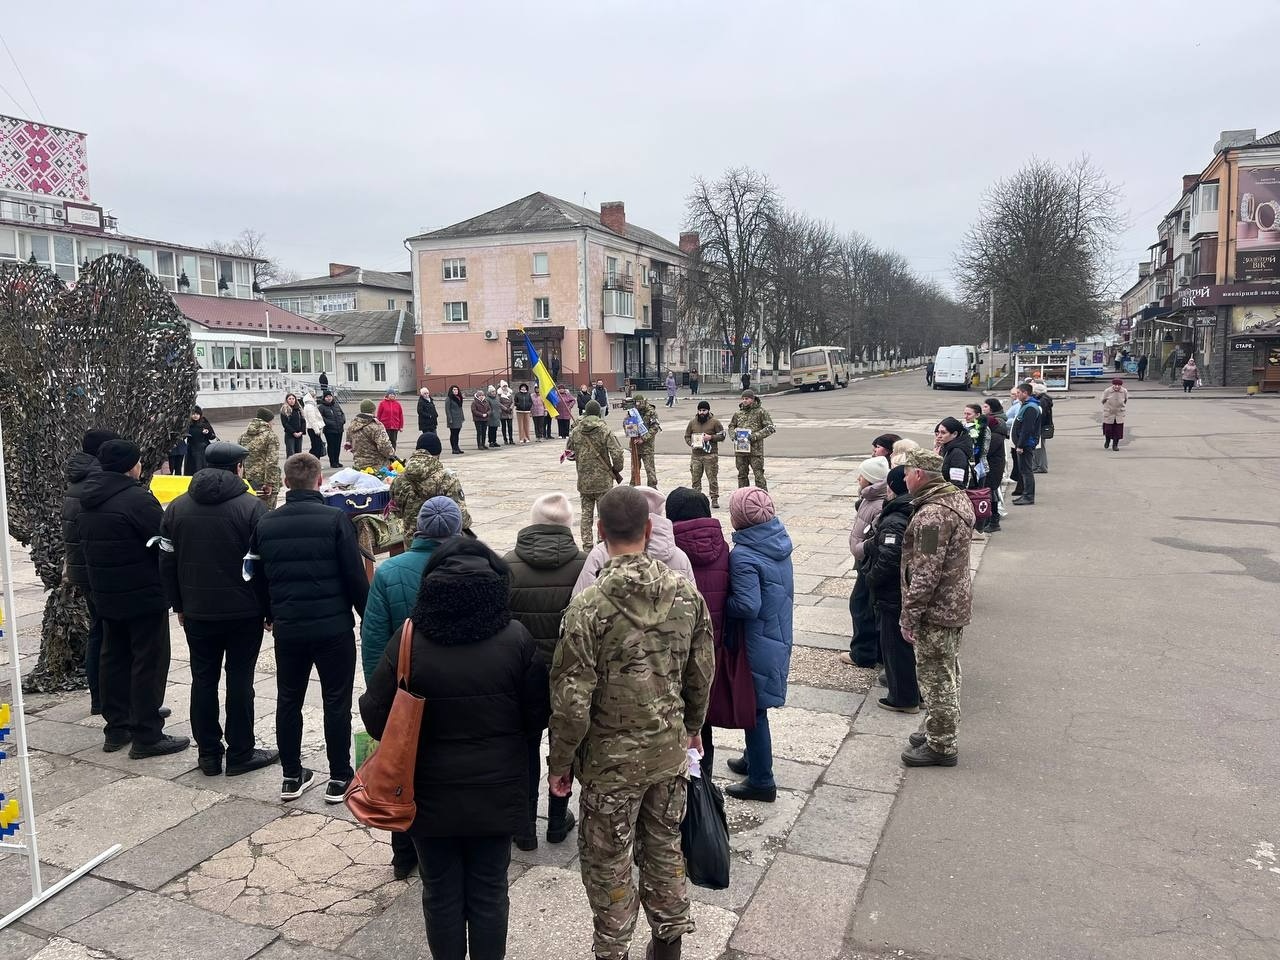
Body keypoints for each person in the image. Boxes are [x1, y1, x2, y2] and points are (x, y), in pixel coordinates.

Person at [360, 537, 547, 960]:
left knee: (440, 893)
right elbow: (537, 716)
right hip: (497, 792)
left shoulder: (409, 640)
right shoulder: (517, 638)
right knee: (490, 892)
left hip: (427, 794)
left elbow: (375, 716)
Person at [548, 486, 713, 960]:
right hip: (666, 754)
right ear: (649, 528)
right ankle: (668, 946)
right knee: (664, 848)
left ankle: (613, 949)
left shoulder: (588, 607)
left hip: (608, 766)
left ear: (600, 531)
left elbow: (571, 700)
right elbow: (702, 673)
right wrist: (692, 728)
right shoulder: (686, 596)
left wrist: (560, 762)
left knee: (608, 863)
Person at [252, 453, 369, 802]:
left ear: (286, 482)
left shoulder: (266, 523)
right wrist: (367, 614)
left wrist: (268, 613)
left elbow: (257, 576)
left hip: (289, 626)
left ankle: (291, 775)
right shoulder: (335, 519)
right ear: (319, 481)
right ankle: (339, 776)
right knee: (336, 700)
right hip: (333, 626)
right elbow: (354, 574)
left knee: (289, 699)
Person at [359, 497, 465, 881]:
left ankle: (403, 853)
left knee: (401, 769)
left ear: (417, 529)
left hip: (405, 689)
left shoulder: (390, 572)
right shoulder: (469, 567)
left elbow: (374, 642)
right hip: (458, 689)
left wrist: (380, 698)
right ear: (457, 530)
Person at [159, 441, 278, 777]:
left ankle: (209, 754)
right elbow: (265, 565)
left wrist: (178, 604)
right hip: (244, 613)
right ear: (238, 468)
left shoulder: (177, 507)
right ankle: (241, 752)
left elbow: (166, 562)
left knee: (203, 679)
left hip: (197, 611)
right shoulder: (253, 508)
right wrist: (269, 609)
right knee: (240, 680)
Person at [78, 440, 188, 758]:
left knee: (113, 657)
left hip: (106, 592)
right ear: (130, 466)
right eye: (138, 461)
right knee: (148, 661)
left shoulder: (89, 496)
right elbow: (163, 542)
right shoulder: (136, 499)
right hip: (142, 593)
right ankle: (147, 734)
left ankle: (117, 726)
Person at [503, 492, 587, 852]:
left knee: (522, 749)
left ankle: (523, 828)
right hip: (568, 677)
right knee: (562, 747)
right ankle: (556, 820)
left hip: (521, 678)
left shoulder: (507, 565)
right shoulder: (585, 565)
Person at [898, 449, 974, 767]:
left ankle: (942, 745)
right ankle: (938, 728)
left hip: (937, 609)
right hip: (954, 603)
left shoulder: (933, 515)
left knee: (936, 676)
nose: (904, 479)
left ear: (919, 474)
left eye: (906, 473)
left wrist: (909, 616)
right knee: (947, 669)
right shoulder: (953, 497)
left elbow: (926, 571)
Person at [723, 486, 794, 803]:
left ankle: (762, 780)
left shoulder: (744, 555)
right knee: (757, 705)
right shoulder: (777, 542)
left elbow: (747, 605)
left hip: (757, 641)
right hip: (776, 633)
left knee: (754, 709)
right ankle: (752, 758)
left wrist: (721, 603)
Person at [666, 486, 729, 777]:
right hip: (712, 644)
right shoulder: (722, 547)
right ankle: (704, 779)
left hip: (674, 646)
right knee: (703, 718)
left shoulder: (670, 552)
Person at [62, 428, 119, 716]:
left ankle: (100, 697)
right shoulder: (96, 482)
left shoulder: (78, 478)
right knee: (109, 635)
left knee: (98, 630)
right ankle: (111, 699)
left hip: (83, 568)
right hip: (99, 569)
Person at [863, 465, 919, 713]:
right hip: (901, 588)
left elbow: (889, 557)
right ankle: (911, 691)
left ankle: (903, 698)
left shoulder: (895, 518)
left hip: (892, 592)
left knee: (895, 644)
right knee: (901, 644)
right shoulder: (907, 508)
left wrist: (871, 578)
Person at [574, 485, 696, 593]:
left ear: (601, 530)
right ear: (648, 528)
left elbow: (577, 601)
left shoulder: (599, 555)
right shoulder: (680, 557)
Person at [841, 457, 890, 669]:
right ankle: (873, 651)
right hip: (864, 558)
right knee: (864, 604)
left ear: (870, 479)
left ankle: (863, 653)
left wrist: (860, 549)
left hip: (869, 560)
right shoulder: (869, 496)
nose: (858, 479)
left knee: (861, 605)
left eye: (861, 475)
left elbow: (876, 537)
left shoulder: (877, 502)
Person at [390, 432, 472, 541]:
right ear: (437, 454)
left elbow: (397, 513)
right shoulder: (446, 479)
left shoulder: (398, 479)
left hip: (413, 543)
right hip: (442, 545)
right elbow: (462, 518)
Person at [566, 399, 623, 550]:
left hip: (584, 480)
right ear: (598, 413)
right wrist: (617, 469)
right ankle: (602, 545)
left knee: (586, 514)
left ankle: (587, 545)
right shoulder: (605, 430)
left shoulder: (576, 431)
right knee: (604, 514)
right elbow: (617, 452)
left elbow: (569, 453)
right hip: (603, 480)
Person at [728, 389, 776, 490]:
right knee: (742, 475)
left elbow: (770, 428)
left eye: (747, 399)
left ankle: (762, 496)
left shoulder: (760, 412)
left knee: (759, 476)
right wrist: (733, 435)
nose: (744, 401)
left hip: (755, 451)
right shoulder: (738, 413)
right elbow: (731, 426)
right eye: (743, 399)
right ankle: (743, 496)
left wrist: (755, 436)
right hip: (741, 450)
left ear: (753, 399)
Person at [684, 399, 726, 508]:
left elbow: (722, 436)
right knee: (695, 479)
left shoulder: (715, 422)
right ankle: (696, 499)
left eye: (704, 410)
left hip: (710, 455)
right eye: (700, 410)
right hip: (696, 455)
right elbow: (687, 436)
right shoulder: (692, 422)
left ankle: (714, 498)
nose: (701, 412)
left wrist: (711, 437)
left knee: (712, 479)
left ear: (708, 411)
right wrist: (691, 443)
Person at [238, 408, 282, 508]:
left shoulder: (243, 436)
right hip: (264, 483)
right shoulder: (271, 436)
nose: (273, 424)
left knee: (250, 510)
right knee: (267, 511)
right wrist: (269, 483)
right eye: (272, 421)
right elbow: (272, 462)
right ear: (267, 421)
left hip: (248, 481)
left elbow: (240, 461)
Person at [1011, 382, 1041, 506]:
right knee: (1024, 470)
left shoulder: (1030, 408)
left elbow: (1027, 429)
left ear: (1025, 393)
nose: (1017, 395)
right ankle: (1025, 494)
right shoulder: (1026, 405)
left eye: (1018, 393)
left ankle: (1028, 496)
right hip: (1024, 443)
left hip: (1026, 445)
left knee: (1026, 470)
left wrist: (1020, 445)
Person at [980, 398, 1007, 531]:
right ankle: (989, 519)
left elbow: (987, 451)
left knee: (991, 491)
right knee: (991, 491)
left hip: (993, 467)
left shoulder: (995, 435)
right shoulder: (995, 431)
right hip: (992, 466)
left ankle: (994, 521)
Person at [346, 399, 396, 470]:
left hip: (358, 464)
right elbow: (384, 446)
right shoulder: (376, 426)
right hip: (376, 466)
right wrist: (392, 454)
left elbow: (348, 445)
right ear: (373, 411)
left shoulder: (352, 425)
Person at [630, 394, 661, 489]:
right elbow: (626, 424)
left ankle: (652, 487)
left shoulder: (651, 412)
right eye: (636, 403)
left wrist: (643, 438)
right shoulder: (632, 412)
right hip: (635, 445)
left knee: (650, 469)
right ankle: (633, 486)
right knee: (634, 469)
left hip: (647, 446)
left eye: (639, 403)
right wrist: (630, 428)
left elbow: (655, 427)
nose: (638, 405)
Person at [934, 417, 973, 490]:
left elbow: (957, 484)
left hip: (951, 494)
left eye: (943, 433)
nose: (939, 436)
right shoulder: (945, 448)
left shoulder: (957, 453)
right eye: (938, 432)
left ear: (954, 434)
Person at [1005, 387, 1024, 497]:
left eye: (1014, 394)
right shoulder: (1016, 404)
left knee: (1017, 458)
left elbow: (1016, 419)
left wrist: (1006, 421)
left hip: (1015, 435)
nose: (1012, 396)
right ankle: (1014, 476)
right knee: (1015, 457)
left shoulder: (1018, 405)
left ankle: (1015, 477)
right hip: (1013, 434)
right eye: (1012, 394)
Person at [319, 392, 346, 468]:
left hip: (339, 429)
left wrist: (342, 421)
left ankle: (337, 461)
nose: (329, 398)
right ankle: (332, 462)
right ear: (324, 398)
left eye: (330, 396)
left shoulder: (336, 405)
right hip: (329, 430)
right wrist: (330, 423)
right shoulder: (322, 407)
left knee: (337, 446)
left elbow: (342, 414)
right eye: (327, 397)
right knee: (331, 446)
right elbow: (321, 418)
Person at [1031, 381, 1053, 473]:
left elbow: (1042, 415)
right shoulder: (1046, 399)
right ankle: (1039, 466)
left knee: (1040, 448)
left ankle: (1041, 466)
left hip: (1041, 427)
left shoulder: (1042, 401)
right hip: (1044, 426)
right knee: (1040, 447)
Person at [185, 406, 216, 474]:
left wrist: (207, 433)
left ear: (200, 415)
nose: (195, 416)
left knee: (200, 468)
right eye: (193, 414)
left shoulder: (204, 423)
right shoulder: (188, 424)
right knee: (190, 469)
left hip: (202, 450)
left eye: (197, 414)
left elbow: (212, 436)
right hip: (190, 450)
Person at [1101, 378, 1128, 450]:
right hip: (1109, 413)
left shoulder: (1124, 391)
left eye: (1119, 385)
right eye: (1115, 385)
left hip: (1119, 413)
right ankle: (1107, 440)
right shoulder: (1107, 391)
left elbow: (1125, 400)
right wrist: (1107, 404)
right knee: (1108, 430)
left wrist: (1121, 406)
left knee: (1118, 430)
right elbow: (1102, 400)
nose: (1117, 386)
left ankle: (1115, 445)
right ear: (1113, 385)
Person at [302, 391, 327, 459]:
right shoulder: (309, 406)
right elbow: (312, 419)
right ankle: (313, 460)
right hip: (313, 428)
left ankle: (313, 460)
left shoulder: (310, 405)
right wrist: (316, 430)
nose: (315, 398)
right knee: (317, 447)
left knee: (316, 446)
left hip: (313, 428)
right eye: (314, 396)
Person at [445, 384, 466, 455]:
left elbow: (460, 409)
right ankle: (454, 448)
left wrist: (462, 417)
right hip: (453, 419)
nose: (456, 391)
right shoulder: (449, 398)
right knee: (453, 434)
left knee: (457, 434)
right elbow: (447, 410)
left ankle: (457, 447)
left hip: (458, 418)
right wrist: (449, 418)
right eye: (454, 389)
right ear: (451, 391)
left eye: (456, 389)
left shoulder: (459, 398)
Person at [497, 380, 515, 445]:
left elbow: (513, 402)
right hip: (503, 412)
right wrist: (505, 409)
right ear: (501, 387)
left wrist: (510, 408)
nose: (505, 387)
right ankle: (505, 439)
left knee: (510, 426)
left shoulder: (510, 393)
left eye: (506, 386)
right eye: (503, 386)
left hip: (509, 412)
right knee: (504, 427)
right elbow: (499, 403)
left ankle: (511, 439)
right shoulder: (499, 394)